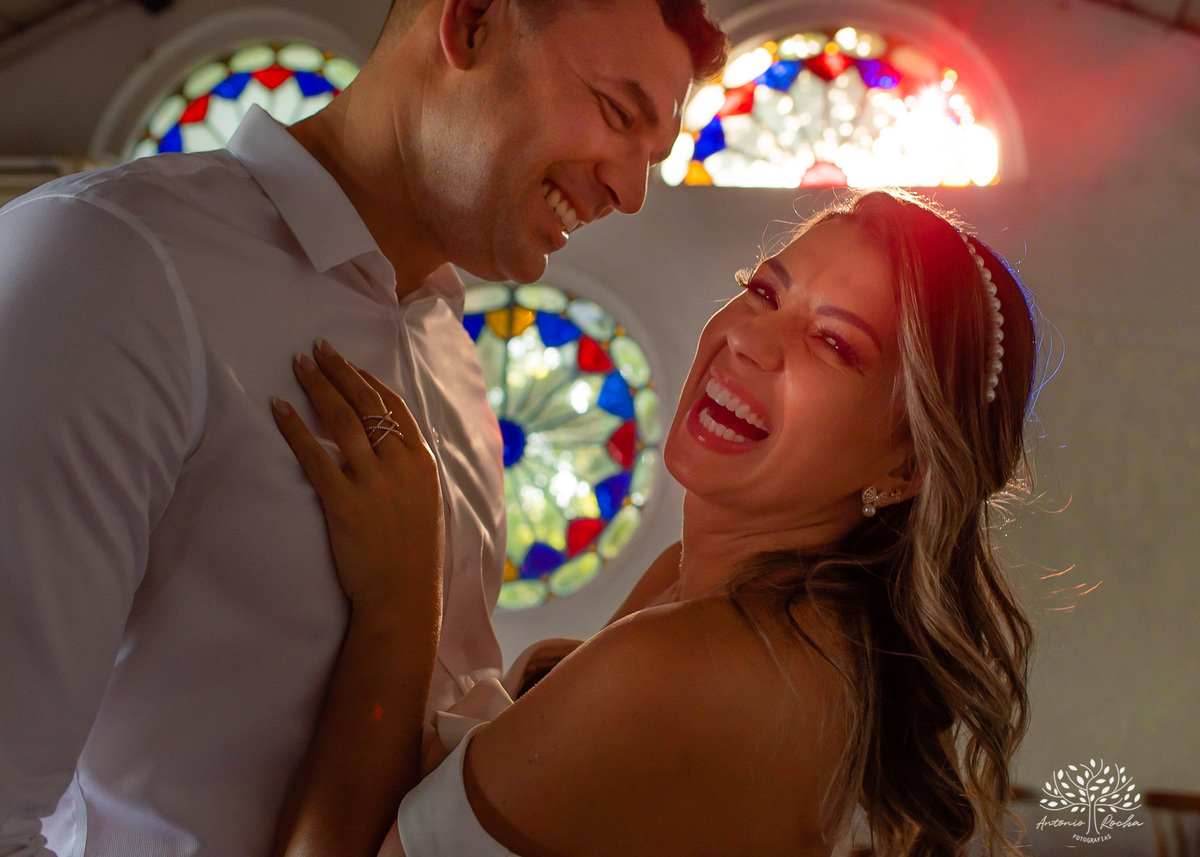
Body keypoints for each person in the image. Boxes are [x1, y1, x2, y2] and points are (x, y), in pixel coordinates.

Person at [0, 0, 727, 854]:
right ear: (473, 24)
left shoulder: (450, 353)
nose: (633, 191)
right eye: (616, 112)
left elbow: (420, 745)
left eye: (653, 154)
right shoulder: (111, 261)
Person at [271, 188, 1042, 857]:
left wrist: (401, 602)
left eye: (835, 343)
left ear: (906, 467)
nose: (748, 339)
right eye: (766, 292)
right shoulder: (725, 597)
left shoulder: (677, 666)